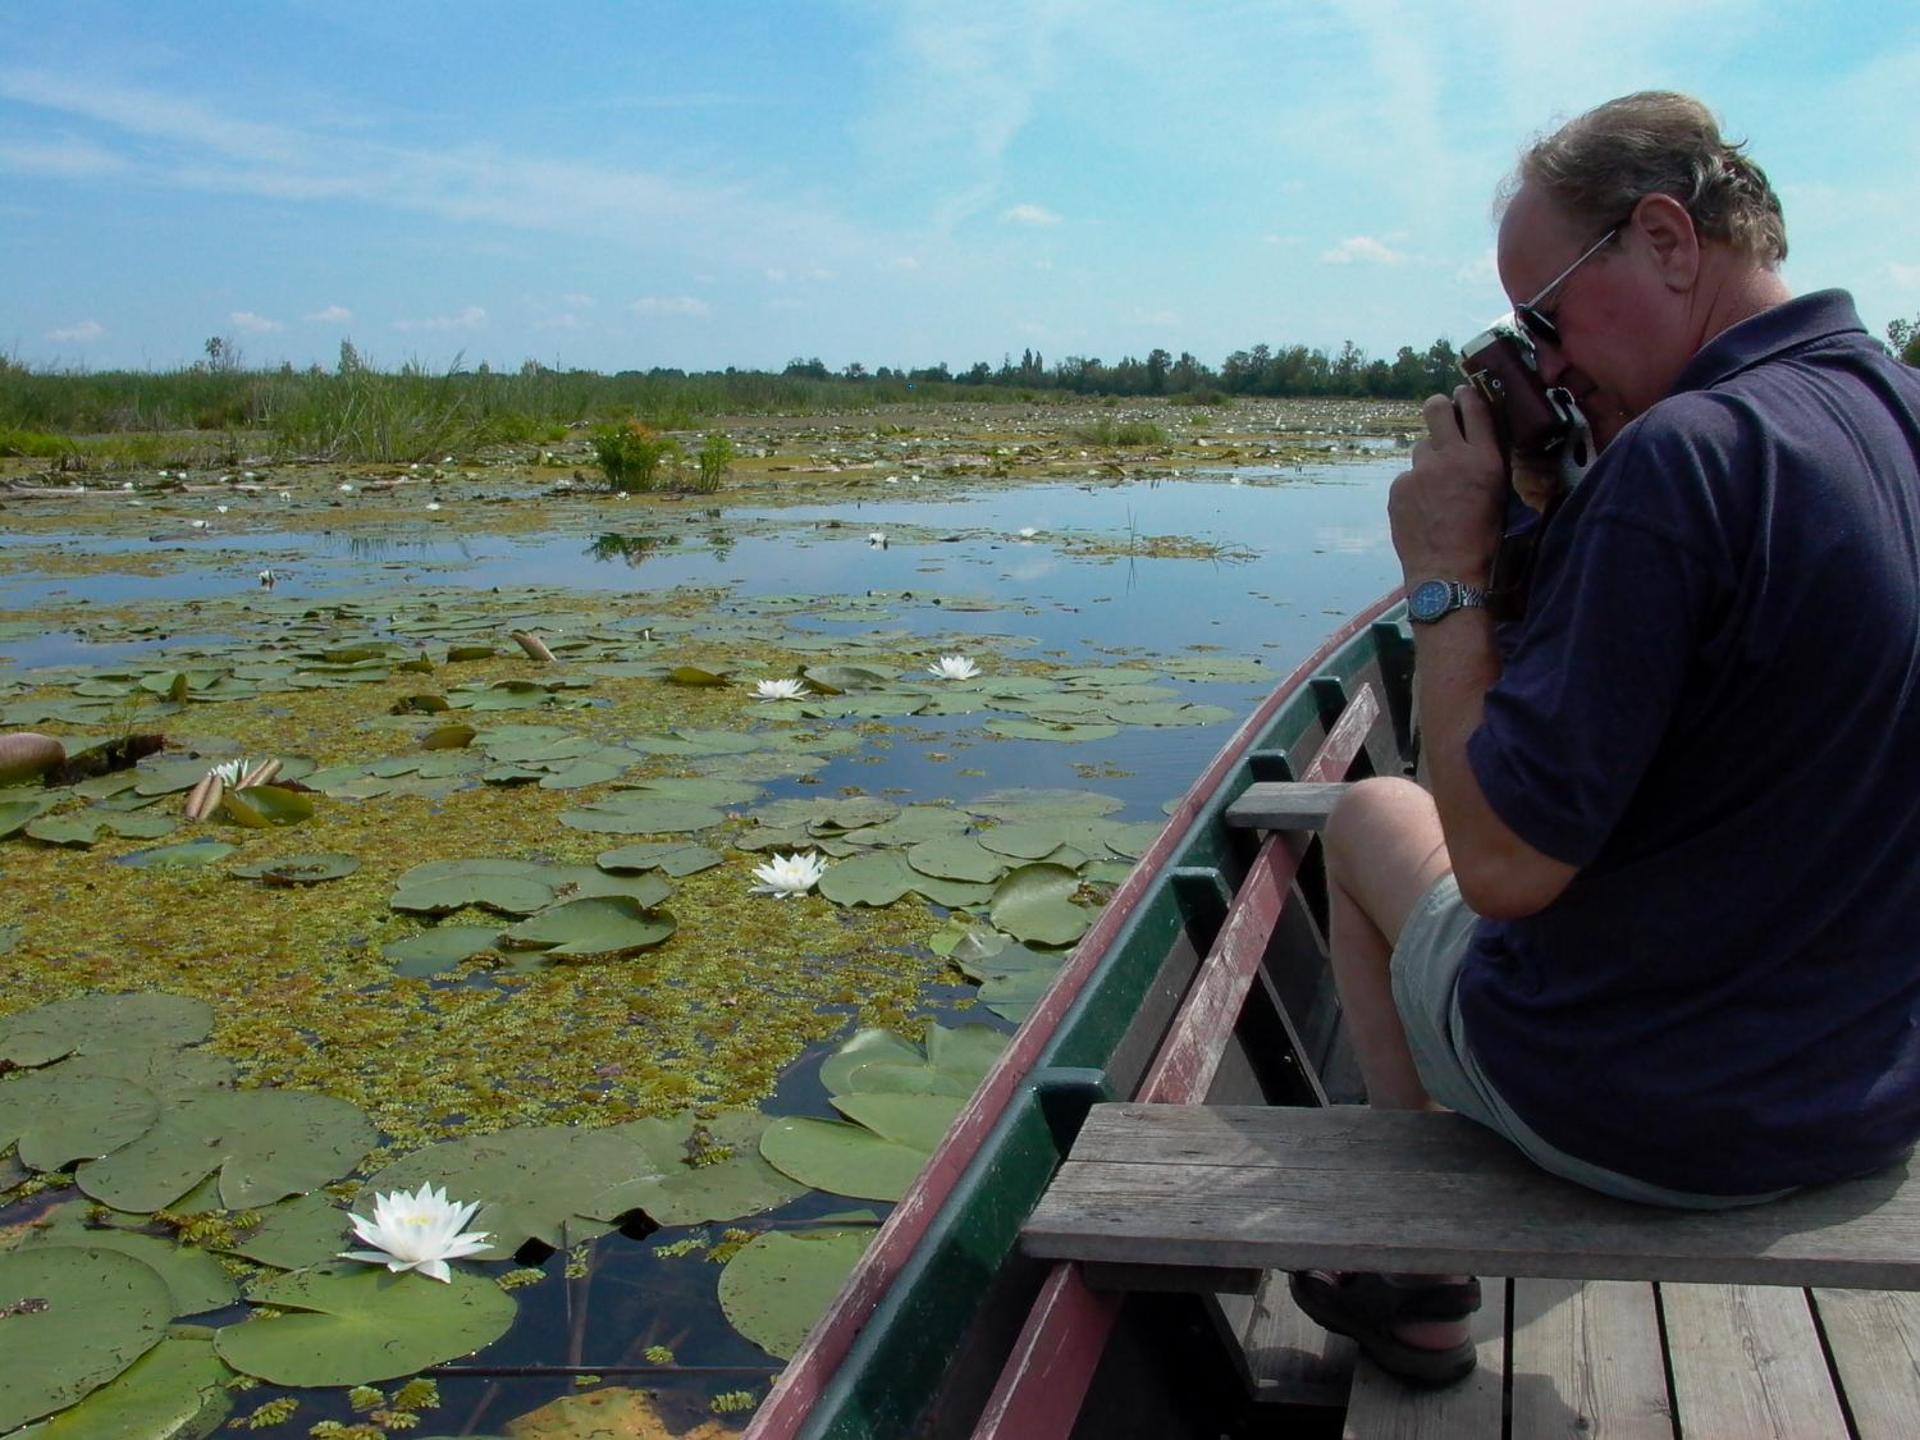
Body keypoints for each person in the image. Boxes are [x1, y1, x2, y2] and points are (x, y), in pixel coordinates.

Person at [1291, 91, 1920, 1384]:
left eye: (1547, 313)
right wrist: (1557, 515)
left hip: (1649, 1112)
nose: (1551, 360)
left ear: (1666, 238)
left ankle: (1413, 1280)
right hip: (1868, 1095)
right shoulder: (1894, 411)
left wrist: (1447, 573)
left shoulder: (1688, 458)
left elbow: (1510, 869)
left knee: (1370, 818)